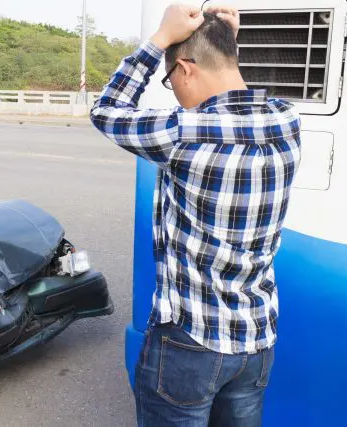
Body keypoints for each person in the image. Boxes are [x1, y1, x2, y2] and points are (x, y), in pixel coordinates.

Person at [90, 4, 301, 427]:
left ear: (184, 69)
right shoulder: (286, 120)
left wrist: (158, 40)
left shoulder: (183, 133)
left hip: (190, 342)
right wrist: (226, 43)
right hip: (256, 340)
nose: (175, 92)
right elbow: (239, 96)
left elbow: (106, 111)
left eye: (171, 81)